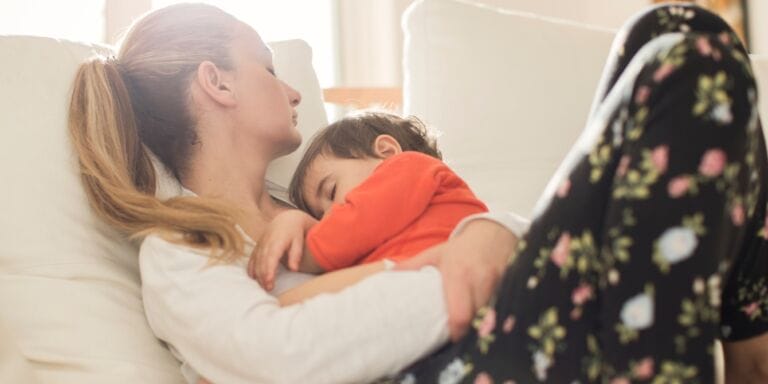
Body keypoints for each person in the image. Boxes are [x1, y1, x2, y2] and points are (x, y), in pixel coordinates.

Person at [65, 3, 767, 384]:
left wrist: (490, 232)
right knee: (687, 58)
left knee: (677, 27)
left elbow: (455, 223)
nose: (292, 90)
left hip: (506, 315)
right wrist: (444, 265)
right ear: (216, 83)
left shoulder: (303, 203)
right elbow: (281, 359)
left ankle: (736, 356)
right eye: (269, 68)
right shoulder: (182, 244)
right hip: (451, 362)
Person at [247, 112, 497, 304]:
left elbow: (345, 232)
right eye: (320, 215)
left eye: (332, 191)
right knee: (295, 301)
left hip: (454, 276)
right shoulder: (376, 239)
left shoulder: (410, 167)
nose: (331, 215)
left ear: (387, 152)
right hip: (426, 285)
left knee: (291, 303)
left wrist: (293, 252)